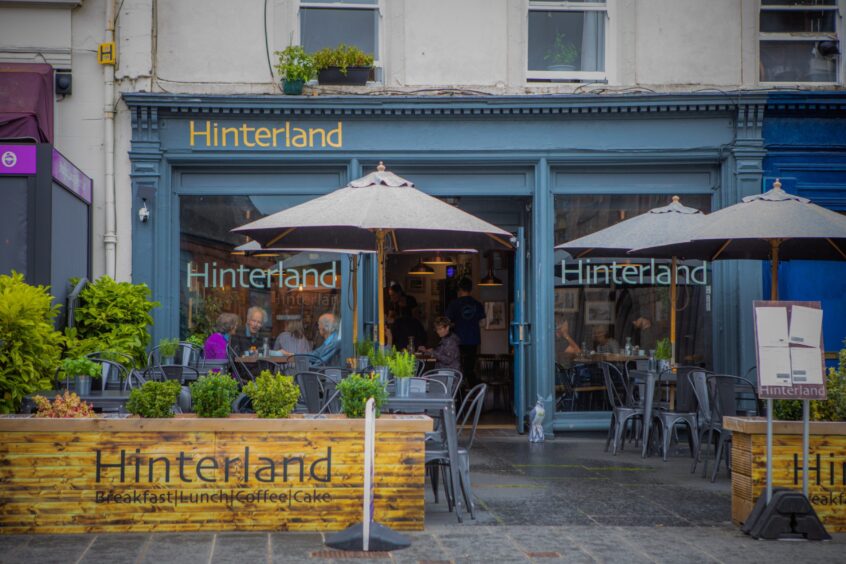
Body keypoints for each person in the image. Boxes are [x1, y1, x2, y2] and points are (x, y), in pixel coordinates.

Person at [445, 277, 485, 385]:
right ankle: (474, 392)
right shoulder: (477, 304)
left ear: (460, 289)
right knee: (470, 368)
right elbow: (483, 323)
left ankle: (459, 394)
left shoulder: (454, 304)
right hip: (473, 340)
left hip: (458, 340)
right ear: (470, 289)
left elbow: (446, 322)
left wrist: (455, 324)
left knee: (457, 368)